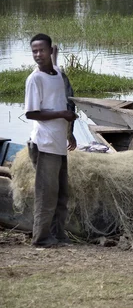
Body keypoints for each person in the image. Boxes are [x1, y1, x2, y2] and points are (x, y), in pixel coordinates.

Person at [25, 34, 78, 247]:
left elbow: (62, 100)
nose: (38, 55)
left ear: (50, 51)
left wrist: (69, 131)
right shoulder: (34, 79)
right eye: (34, 51)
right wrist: (61, 115)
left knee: (61, 194)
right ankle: (41, 238)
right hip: (44, 143)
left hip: (58, 143)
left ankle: (58, 235)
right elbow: (31, 113)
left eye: (42, 50)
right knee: (46, 195)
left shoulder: (57, 74)